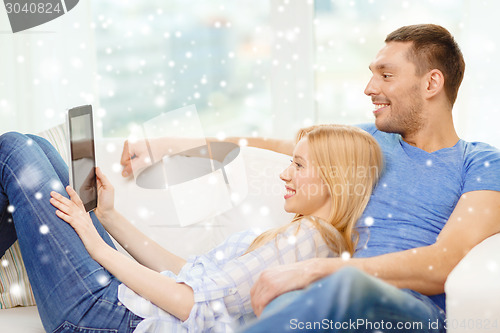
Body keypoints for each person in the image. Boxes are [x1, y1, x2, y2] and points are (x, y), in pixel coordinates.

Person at [120, 24, 500, 332]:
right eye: (371, 75)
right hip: (328, 300)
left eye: (386, 75)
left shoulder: (479, 162)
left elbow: (445, 262)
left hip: (406, 311)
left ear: (432, 84)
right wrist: (166, 145)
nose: (370, 88)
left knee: (339, 286)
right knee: (281, 297)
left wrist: (321, 268)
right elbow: (278, 144)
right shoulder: (368, 141)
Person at [0, 124, 382, 332]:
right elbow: (190, 274)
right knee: (36, 145)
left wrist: (98, 248)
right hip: (123, 304)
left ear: (334, 178)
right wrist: (107, 217)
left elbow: (189, 302)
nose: (285, 173)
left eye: (298, 166)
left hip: (106, 318)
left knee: (16, 148)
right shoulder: (305, 236)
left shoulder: (308, 240)